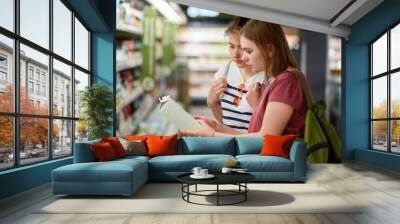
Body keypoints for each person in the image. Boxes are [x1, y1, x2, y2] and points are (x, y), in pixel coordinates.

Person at [185, 20, 312, 137]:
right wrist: (215, 126)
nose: (243, 57)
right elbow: (253, 134)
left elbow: (264, 138)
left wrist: (213, 134)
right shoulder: (276, 80)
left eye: (248, 51)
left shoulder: (286, 82)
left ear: (270, 49)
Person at [207, 17, 267, 132]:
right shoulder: (225, 71)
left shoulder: (267, 78)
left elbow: (269, 129)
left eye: (242, 48)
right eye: (231, 46)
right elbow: (225, 122)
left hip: (252, 146)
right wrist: (213, 104)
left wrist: (257, 108)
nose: (235, 54)